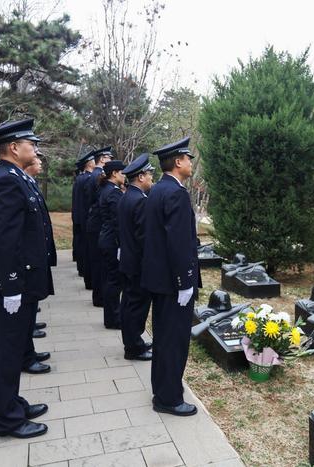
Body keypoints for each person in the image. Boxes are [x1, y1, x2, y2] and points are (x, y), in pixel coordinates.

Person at [0, 118, 51, 439]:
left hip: (16, 282)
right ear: (13, 147)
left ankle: (13, 402)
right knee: (4, 353)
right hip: (5, 286)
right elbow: (5, 240)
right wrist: (11, 286)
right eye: (30, 143)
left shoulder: (16, 177)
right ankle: (6, 419)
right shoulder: (6, 181)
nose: (34, 148)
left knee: (12, 347)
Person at [142, 136, 201, 416]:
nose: (191, 163)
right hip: (173, 283)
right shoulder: (175, 193)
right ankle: (169, 398)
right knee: (173, 341)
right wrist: (185, 282)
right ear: (178, 162)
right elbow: (178, 243)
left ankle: (162, 390)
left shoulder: (157, 190)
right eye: (188, 158)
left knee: (163, 338)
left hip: (160, 280)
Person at [20, 155, 55, 374]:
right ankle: (26, 357)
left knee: (30, 308)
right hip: (25, 263)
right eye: (36, 158)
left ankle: (29, 352)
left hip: (34, 259)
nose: (40, 161)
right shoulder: (14, 181)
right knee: (23, 315)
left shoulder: (28, 182)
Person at [117, 153, 154, 361]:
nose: (151, 179)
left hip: (128, 260)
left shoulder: (127, 196)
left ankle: (133, 342)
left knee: (129, 303)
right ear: (140, 177)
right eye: (149, 175)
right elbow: (143, 238)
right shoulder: (139, 200)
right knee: (136, 307)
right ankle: (133, 347)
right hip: (138, 264)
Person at [97, 159, 127, 329]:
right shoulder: (113, 192)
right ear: (115, 173)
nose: (124, 176)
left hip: (107, 239)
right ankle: (114, 318)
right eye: (122, 173)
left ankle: (112, 316)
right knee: (114, 281)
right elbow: (118, 221)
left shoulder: (107, 189)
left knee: (110, 279)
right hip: (112, 241)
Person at [84, 147, 113, 307]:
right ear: (102, 159)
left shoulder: (95, 175)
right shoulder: (97, 175)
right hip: (98, 224)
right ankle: (99, 297)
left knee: (98, 262)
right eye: (109, 158)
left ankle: (99, 295)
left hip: (95, 223)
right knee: (99, 264)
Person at [73, 151, 96, 281]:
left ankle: (81, 269)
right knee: (86, 247)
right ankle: (85, 271)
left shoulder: (80, 178)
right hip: (85, 216)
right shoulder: (88, 178)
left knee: (81, 244)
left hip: (78, 215)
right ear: (89, 163)